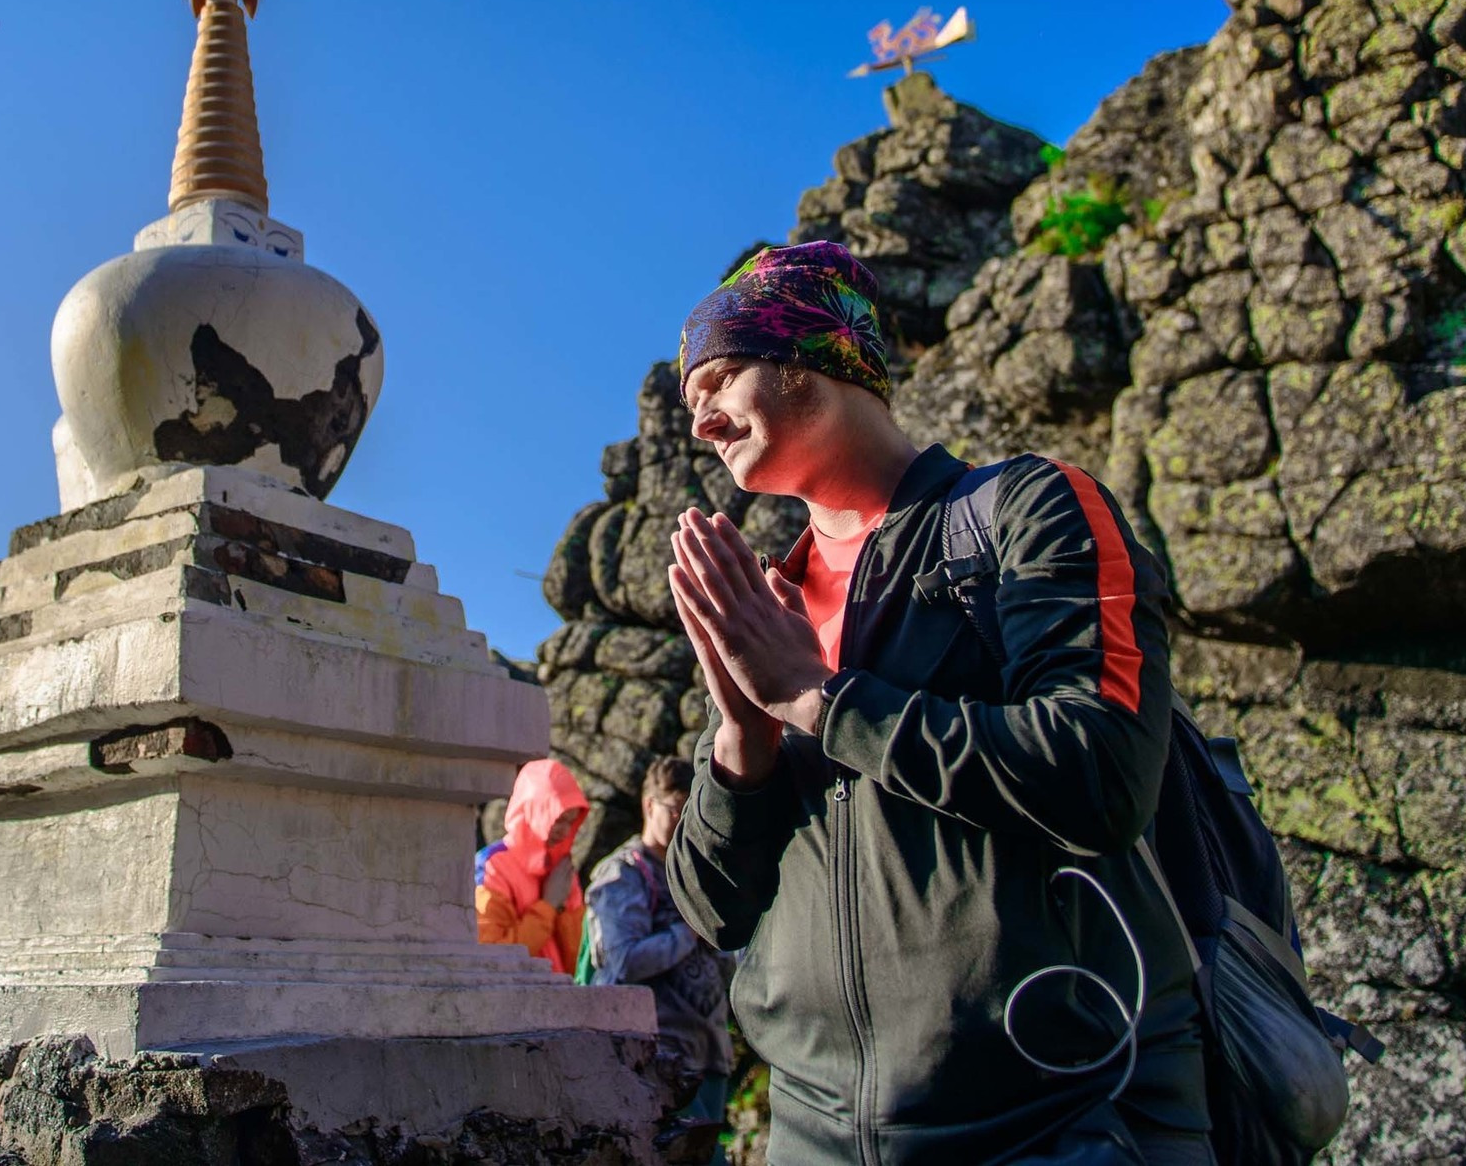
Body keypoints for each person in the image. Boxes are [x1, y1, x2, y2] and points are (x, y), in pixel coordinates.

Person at [660, 242, 1209, 1166]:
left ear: (814, 360)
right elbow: (712, 913)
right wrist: (742, 741)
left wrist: (820, 699)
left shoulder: (1030, 509)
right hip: (815, 1136)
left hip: (1063, 1122)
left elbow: (1103, 771)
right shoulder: (774, 604)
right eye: (690, 402)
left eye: (718, 378)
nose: (702, 422)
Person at [584, 756, 733, 1143]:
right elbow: (624, 961)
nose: (685, 821)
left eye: (692, 811)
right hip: (654, 1056)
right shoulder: (623, 874)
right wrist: (687, 932)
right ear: (650, 805)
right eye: (677, 809)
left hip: (710, 1051)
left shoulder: (699, 871)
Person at [474, 757, 589, 974]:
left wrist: (562, 908)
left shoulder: (562, 870)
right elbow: (491, 957)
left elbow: (579, 960)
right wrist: (548, 906)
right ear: (534, 808)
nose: (565, 831)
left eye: (570, 821)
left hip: (560, 997)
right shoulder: (492, 866)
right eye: (558, 818)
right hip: (511, 1000)